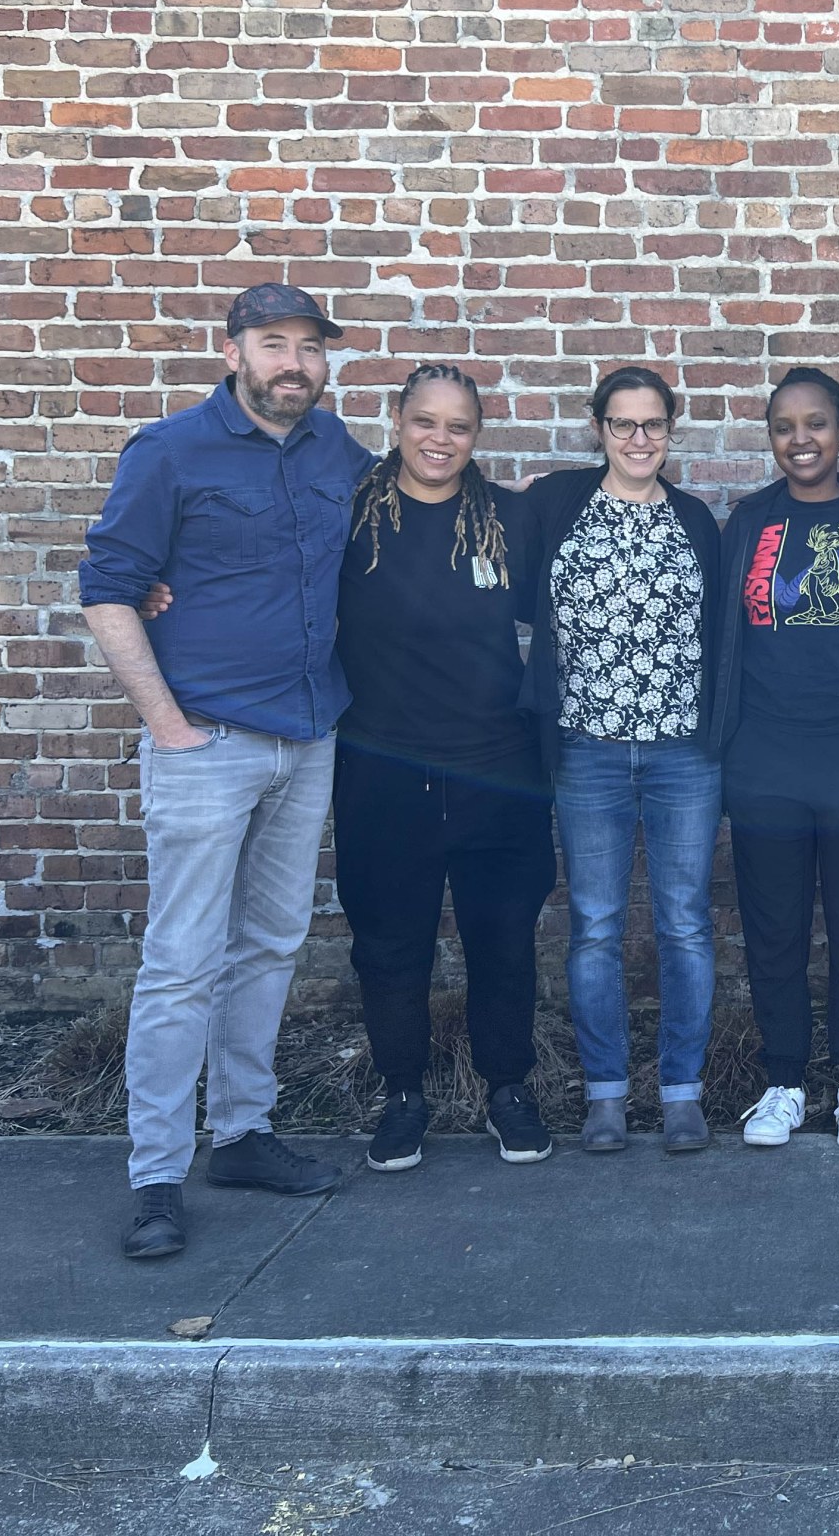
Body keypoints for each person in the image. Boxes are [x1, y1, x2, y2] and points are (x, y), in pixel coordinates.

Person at [80, 283, 370, 1262]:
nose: (294, 363)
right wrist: (164, 725)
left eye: (310, 348)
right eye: (274, 344)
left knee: (272, 942)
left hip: (309, 733)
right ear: (234, 350)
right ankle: (157, 1173)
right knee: (181, 961)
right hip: (205, 739)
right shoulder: (169, 452)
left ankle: (241, 1132)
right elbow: (110, 591)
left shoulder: (338, 452)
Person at [334, 363, 558, 1175]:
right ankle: (403, 1094)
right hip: (382, 769)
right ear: (397, 421)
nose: (440, 439)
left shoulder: (506, 517)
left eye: (458, 427)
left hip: (497, 769)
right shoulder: (354, 514)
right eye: (425, 421)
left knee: (502, 939)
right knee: (391, 944)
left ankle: (508, 1088)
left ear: (477, 436)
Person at [710, 367, 839, 1152]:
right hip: (763, 762)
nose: (800, 439)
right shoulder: (747, 524)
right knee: (775, 934)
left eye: (816, 424)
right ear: (771, 436)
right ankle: (784, 1082)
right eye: (783, 426)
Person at [520, 367, 725, 1157]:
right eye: (622, 424)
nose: (639, 439)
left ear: (672, 429)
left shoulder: (696, 522)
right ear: (598, 428)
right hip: (588, 751)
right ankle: (605, 1094)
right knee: (596, 927)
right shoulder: (557, 506)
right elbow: (487, 546)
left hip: (683, 754)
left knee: (684, 924)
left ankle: (682, 1092)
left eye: (653, 425)